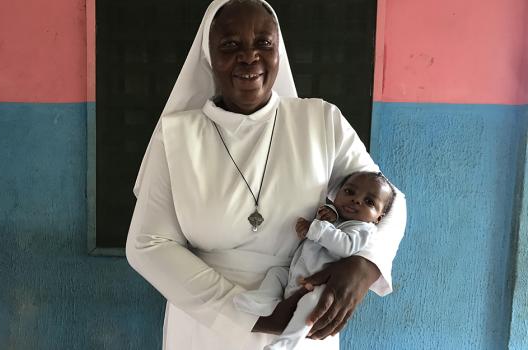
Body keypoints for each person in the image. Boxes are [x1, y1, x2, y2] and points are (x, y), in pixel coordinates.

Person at [125, 1, 407, 349]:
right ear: (209, 56)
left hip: (304, 319)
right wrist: (252, 318)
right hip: (208, 329)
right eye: (230, 45)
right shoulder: (177, 135)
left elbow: (390, 200)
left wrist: (366, 264)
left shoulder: (321, 121)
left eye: (264, 43)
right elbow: (147, 245)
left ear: (278, 50)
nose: (249, 57)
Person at [233, 171, 396, 350]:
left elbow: (345, 246)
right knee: (276, 273)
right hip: (296, 273)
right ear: (336, 194)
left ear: (378, 218)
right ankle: (264, 300)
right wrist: (317, 224)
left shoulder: (363, 229)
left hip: (319, 286)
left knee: (309, 307)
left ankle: (286, 344)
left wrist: (315, 228)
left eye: (369, 202)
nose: (356, 200)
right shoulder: (334, 216)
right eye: (349, 192)